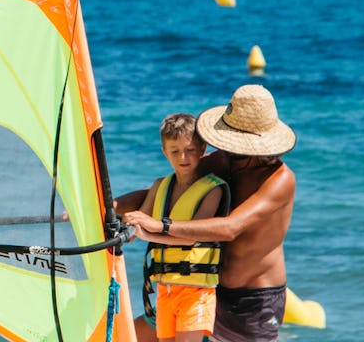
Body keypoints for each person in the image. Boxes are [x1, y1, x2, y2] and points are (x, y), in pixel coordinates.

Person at [123, 84, 296, 342]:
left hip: (253, 304)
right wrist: (105, 207)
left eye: (237, 147)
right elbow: (170, 187)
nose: (227, 152)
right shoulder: (227, 160)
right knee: (126, 335)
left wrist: (160, 226)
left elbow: (230, 228)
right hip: (203, 286)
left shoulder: (280, 179)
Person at [128, 113, 231, 342]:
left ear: (202, 149)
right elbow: (136, 225)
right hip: (165, 291)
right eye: (174, 151)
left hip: (196, 292)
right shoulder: (160, 186)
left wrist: (147, 231)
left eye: (190, 150)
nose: (183, 157)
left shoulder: (212, 189)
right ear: (165, 152)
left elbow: (191, 237)